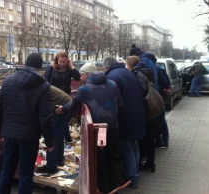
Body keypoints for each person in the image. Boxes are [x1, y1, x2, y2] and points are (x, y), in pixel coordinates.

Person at [0, 53, 54, 194]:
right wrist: (50, 142)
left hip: (9, 134)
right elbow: (45, 117)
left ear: (26, 64)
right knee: (26, 173)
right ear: (39, 66)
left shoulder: (8, 80)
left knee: (7, 169)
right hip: (29, 136)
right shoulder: (43, 86)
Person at [60, 61, 122, 194]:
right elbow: (120, 104)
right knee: (111, 160)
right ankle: (113, 188)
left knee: (98, 162)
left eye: (81, 75)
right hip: (113, 128)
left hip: (97, 131)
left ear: (87, 75)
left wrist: (62, 109)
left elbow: (73, 107)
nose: (80, 78)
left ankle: (102, 189)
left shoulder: (85, 89)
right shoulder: (112, 84)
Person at [104, 57, 146, 189]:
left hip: (125, 118)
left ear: (107, 67)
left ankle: (132, 179)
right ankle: (135, 174)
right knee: (134, 146)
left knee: (127, 148)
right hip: (137, 115)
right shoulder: (126, 72)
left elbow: (112, 99)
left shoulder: (113, 76)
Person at [126, 56, 161, 173]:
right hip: (151, 108)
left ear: (130, 64)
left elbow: (141, 91)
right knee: (150, 136)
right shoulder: (147, 70)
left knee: (142, 138)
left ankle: (143, 162)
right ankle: (151, 162)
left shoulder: (138, 74)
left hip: (144, 110)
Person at [44, 51, 81, 144]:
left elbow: (77, 77)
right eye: (60, 62)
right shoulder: (52, 68)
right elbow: (45, 81)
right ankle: (62, 139)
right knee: (57, 118)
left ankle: (64, 139)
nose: (62, 64)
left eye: (64, 62)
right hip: (55, 97)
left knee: (64, 117)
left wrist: (71, 66)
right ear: (57, 60)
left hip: (65, 96)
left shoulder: (68, 69)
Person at [36, 86, 72, 174]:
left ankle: (51, 166)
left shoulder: (38, 90)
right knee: (59, 136)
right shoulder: (42, 86)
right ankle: (59, 159)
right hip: (65, 106)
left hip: (60, 108)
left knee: (53, 137)